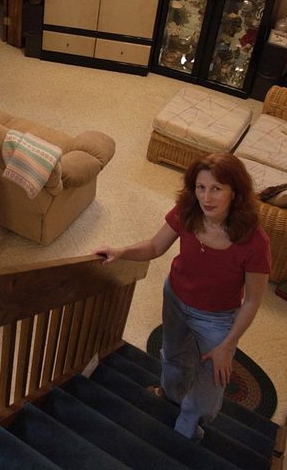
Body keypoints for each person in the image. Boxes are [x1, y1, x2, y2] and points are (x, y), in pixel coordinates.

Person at [96, 152, 271, 441]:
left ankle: (187, 430)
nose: (206, 197)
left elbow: (252, 300)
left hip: (218, 318)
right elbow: (154, 246)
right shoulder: (187, 210)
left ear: (235, 193)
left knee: (209, 387)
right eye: (201, 188)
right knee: (174, 359)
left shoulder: (255, 241)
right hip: (176, 298)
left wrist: (228, 345)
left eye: (217, 188)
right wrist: (121, 252)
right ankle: (169, 398)